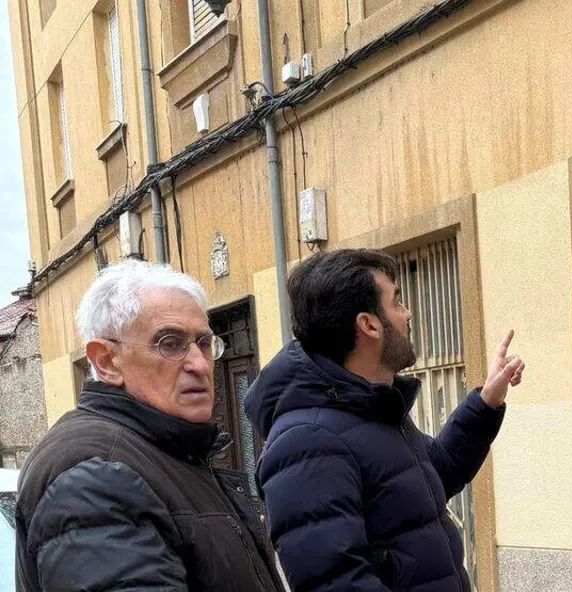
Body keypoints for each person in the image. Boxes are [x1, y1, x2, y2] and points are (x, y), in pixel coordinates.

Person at [245, 248, 524, 592]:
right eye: (397, 303)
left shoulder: (372, 412)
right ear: (368, 324)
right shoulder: (306, 441)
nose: (408, 315)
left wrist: (486, 401)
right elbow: (338, 584)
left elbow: (434, 472)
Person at [14, 260, 285, 592]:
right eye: (170, 343)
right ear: (106, 361)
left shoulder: (171, 452)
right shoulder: (97, 475)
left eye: (203, 343)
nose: (200, 364)